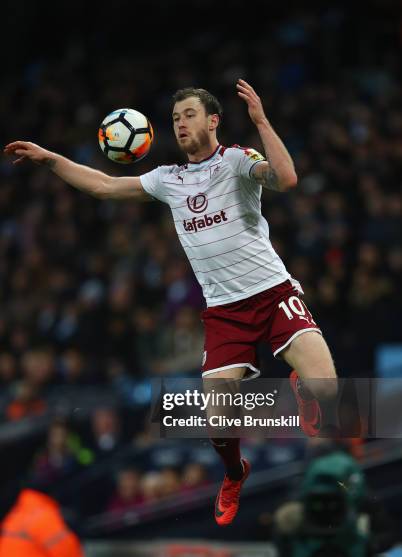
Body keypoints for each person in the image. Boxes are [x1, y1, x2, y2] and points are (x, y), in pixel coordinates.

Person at [4, 79, 337, 527]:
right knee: (218, 422)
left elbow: (288, 179)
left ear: (213, 120)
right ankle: (235, 474)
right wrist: (50, 159)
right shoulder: (168, 179)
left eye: (190, 115)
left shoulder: (239, 161)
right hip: (224, 314)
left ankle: (303, 387)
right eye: (176, 118)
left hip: (274, 294)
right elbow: (103, 186)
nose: (180, 124)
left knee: (331, 395)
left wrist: (260, 121)